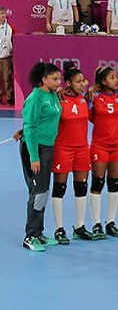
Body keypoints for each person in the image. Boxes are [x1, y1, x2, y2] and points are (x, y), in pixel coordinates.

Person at [19, 63, 61, 251]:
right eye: (54, 79)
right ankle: (30, 236)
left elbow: (43, 121)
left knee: (43, 191)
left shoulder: (52, 95)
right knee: (36, 192)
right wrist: (34, 156)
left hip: (48, 148)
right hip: (35, 150)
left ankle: (39, 233)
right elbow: (30, 126)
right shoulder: (36, 97)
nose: (58, 82)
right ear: (44, 79)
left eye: (59, 79)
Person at [50, 63, 91, 243]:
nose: (83, 84)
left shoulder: (85, 98)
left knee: (81, 187)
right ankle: (59, 229)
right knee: (60, 189)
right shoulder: (58, 98)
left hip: (82, 149)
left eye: (83, 81)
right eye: (79, 81)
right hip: (63, 149)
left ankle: (79, 226)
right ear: (68, 83)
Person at [88, 66, 118, 238]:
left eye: (116, 76)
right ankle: (96, 223)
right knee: (98, 182)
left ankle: (110, 222)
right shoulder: (94, 98)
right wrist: (90, 89)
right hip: (100, 145)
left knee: (114, 183)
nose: (117, 79)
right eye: (112, 77)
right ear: (103, 82)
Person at [0, 6, 14, 105]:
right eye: (1, 14)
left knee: (7, 78)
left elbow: (12, 41)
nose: (2, 16)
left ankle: (10, 97)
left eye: (4, 14)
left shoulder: (9, 27)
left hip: (6, 57)